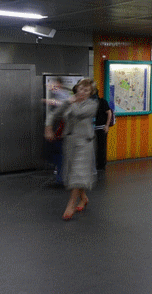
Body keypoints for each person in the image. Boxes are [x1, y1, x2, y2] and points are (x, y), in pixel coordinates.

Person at [44, 78, 98, 221]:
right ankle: (84, 198)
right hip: (69, 141)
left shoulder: (92, 104)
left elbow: (79, 113)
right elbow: (53, 114)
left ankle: (71, 204)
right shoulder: (70, 101)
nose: (82, 92)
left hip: (84, 142)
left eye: (86, 90)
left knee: (78, 172)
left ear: (90, 93)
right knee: (71, 173)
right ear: (77, 89)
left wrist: (70, 102)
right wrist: (48, 127)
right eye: (80, 89)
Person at [44, 77, 71, 184]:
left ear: (59, 84)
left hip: (61, 126)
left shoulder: (62, 95)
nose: (52, 85)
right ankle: (61, 174)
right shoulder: (61, 94)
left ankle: (61, 177)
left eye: (54, 83)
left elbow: (62, 107)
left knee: (59, 152)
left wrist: (52, 102)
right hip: (59, 126)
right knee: (58, 152)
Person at [93, 89, 112, 170]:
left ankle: (101, 164)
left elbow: (109, 113)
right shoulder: (89, 103)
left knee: (101, 147)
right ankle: (95, 163)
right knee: (94, 147)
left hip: (101, 127)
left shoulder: (102, 102)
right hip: (92, 127)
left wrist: (107, 125)